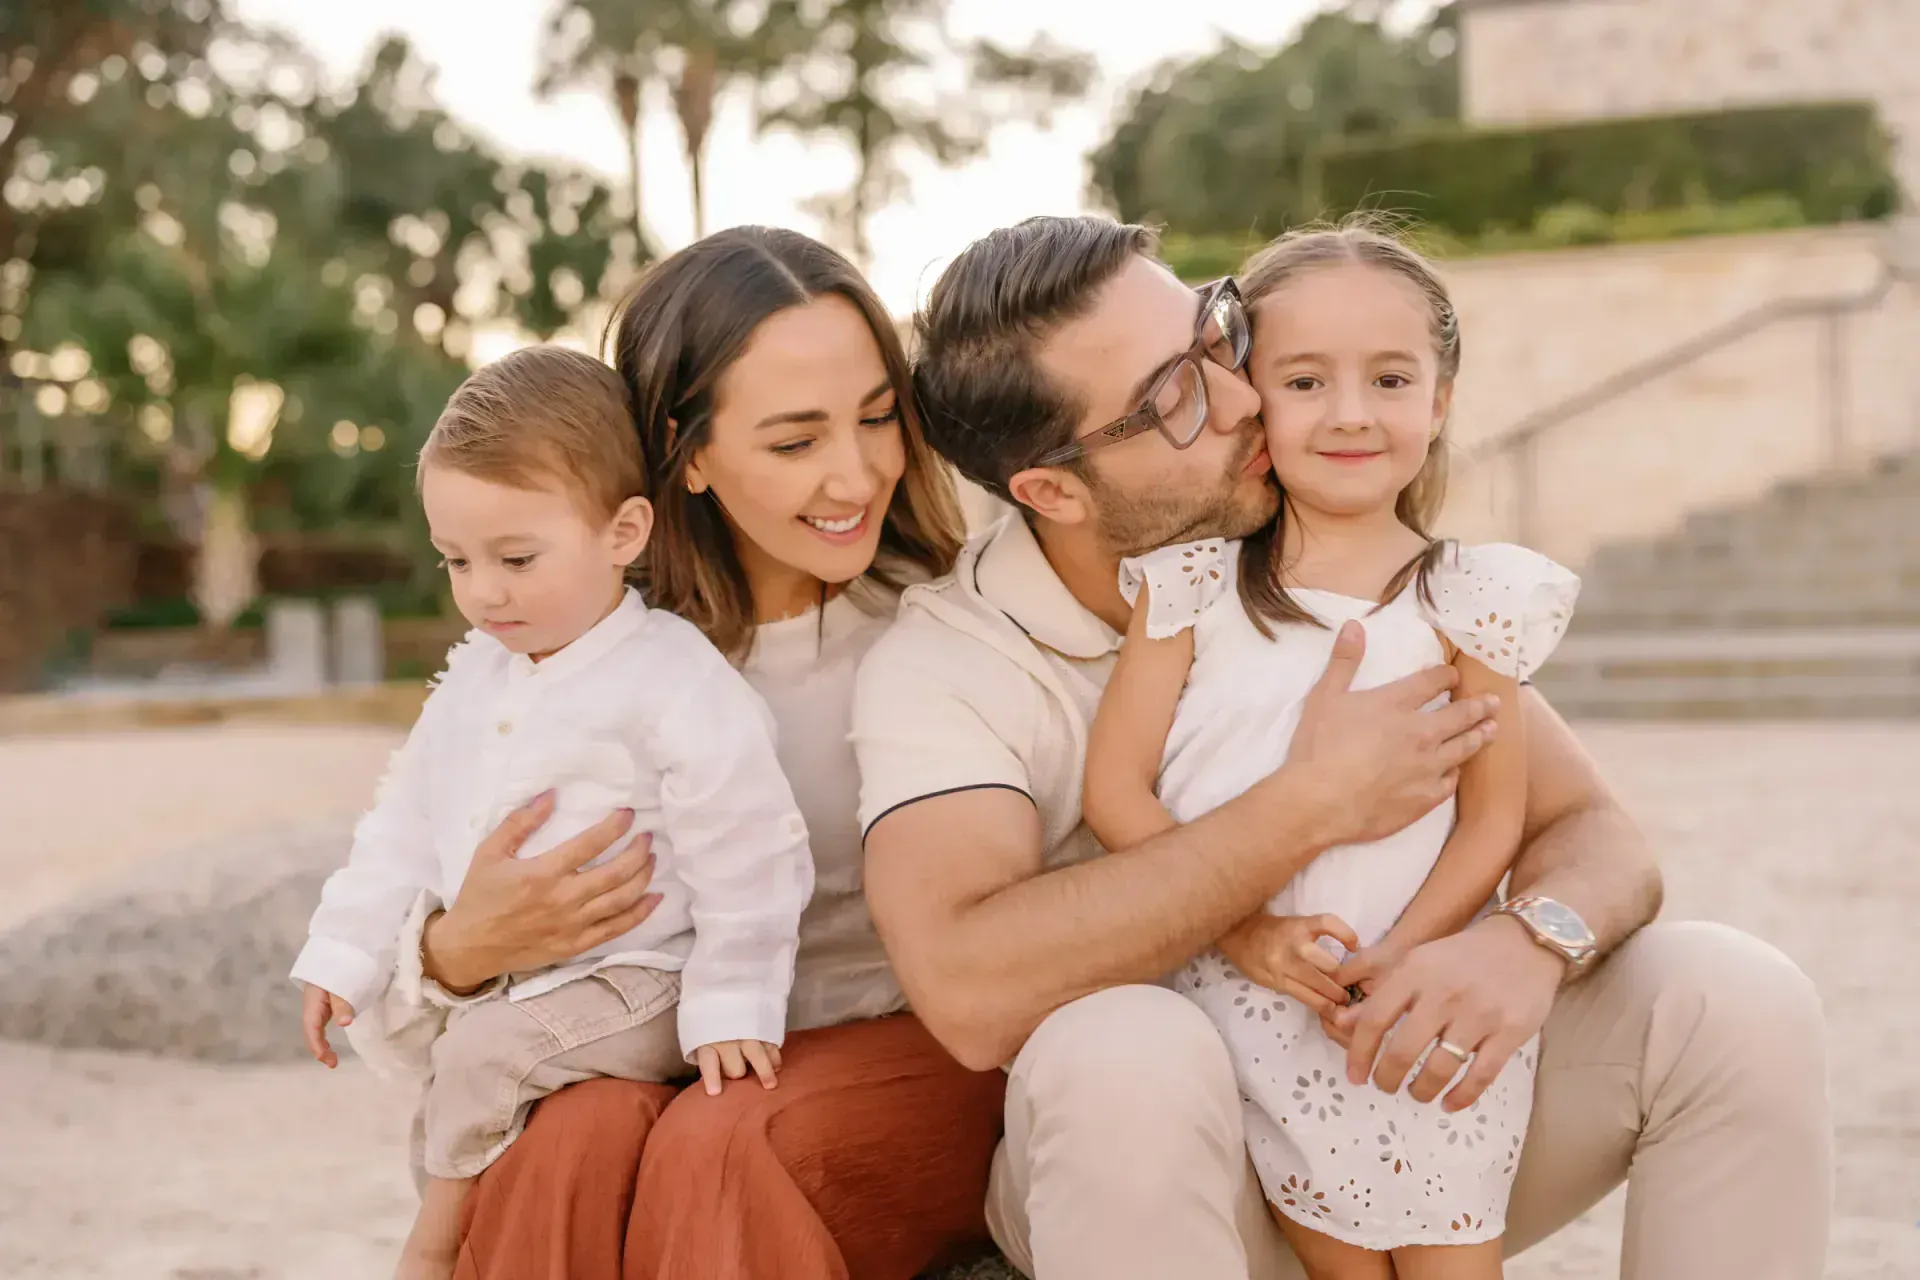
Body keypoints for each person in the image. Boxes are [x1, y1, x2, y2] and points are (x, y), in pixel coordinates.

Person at [856, 214, 1832, 1280]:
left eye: (1216, 336)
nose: (1242, 396)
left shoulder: (1336, 553)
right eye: (1174, 395)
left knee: (1736, 992)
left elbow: (1591, 831)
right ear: (1052, 488)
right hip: (1166, 1187)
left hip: (1413, 1113)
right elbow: (965, 983)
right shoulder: (952, 662)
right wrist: (1306, 808)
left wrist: (1527, 942)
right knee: (1122, 1051)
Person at [346, 226, 1003, 1280]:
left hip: (903, 1044)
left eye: (878, 417)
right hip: (660, 1039)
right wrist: (452, 949)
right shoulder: (599, 661)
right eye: (795, 441)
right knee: (566, 1141)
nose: (856, 471)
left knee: (724, 1140)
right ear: (686, 453)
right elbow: (399, 921)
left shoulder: (956, 623)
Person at [1080, 220, 1580, 1279]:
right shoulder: (1193, 589)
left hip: (1419, 1003)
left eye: (1391, 378)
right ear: (1254, 396)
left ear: (1439, 399)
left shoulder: (1472, 599)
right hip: (1249, 1001)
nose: (1351, 412)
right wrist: (1248, 931)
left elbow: (1494, 814)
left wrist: (1410, 951)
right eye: (1306, 381)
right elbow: (1116, 790)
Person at [292, 346, 815, 1280]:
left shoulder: (672, 677)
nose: (482, 590)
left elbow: (749, 846)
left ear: (623, 532)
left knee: (485, 1057)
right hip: (526, 983)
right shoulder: (475, 677)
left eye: (517, 558)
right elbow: (402, 825)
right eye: (455, 559)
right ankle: (472, 1235)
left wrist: (734, 999)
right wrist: (345, 954)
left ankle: (430, 1251)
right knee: (457, 1078)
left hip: (652, 978)